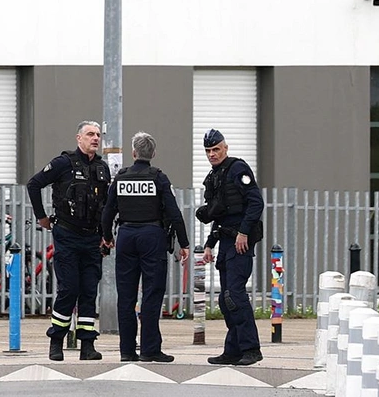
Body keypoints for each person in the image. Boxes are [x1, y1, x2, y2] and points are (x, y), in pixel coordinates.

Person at [101, 132, 191, 362]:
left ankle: (127, 351)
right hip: (152, 236)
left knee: (126, 296)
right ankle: (150, 349)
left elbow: (108, 211)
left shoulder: (121, 178)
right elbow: (174, 212)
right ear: (153, 154)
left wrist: (107, 236)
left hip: (126, 236)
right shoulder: (158, 178)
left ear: (133, 153)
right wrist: (184, 243)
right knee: (152, 293)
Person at [27, 120, 111, 361]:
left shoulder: (102, 168)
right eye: (90, 134)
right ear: (79, 138)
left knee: (89, 291)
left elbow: (107, 205)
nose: (95, 138)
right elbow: (34, 184)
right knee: (69, 289)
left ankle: (87, 345)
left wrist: (107, 235)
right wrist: (42, 217)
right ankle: (56, 341)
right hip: (67, 235)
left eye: (97, 135)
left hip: (92, 237)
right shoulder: (63, 163)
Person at [197, 128, 264, 366]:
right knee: (226, 301)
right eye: (208, 151)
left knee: (234, 295)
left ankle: (251, 349)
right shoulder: (216, 175)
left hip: (240, 242)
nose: (212, 154)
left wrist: (244, 232)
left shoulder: (238, 169)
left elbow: (256, 203)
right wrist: (210, 244)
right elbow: (220, 214)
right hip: (226, 242)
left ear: (225, 148)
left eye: (216, 149)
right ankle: (233, 350)